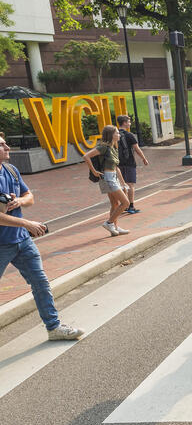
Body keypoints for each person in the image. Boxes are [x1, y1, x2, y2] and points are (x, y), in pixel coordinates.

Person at [0, 136, 84, 341]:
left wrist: (19, 201)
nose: (7, 146)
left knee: (41, 283)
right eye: (1, 145)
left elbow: (30, 196)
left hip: (22, 241)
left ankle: (53, 328)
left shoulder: (10, 170)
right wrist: (28, 224)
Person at [83, 125, 131, 236]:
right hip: (108, 178)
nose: (119, 135)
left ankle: (114, 227)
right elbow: (86, 156)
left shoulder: (113, 147)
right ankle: (109, 223)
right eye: (117, 133)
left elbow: (116, 168)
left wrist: (124, 184)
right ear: (111, 135)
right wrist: (94, 171)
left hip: (113, 177)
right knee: (125, 203)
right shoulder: (103, 147)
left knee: (115, 204)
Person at [116, 115, 149, 214]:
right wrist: (144, 158)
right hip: (129, 162)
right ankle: (131, 206)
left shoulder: (114, 134)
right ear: (125, 123)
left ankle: (123, 204)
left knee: (122, 184)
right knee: (130, 184)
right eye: (129, 122)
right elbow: (136, 148)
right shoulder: (129, 135)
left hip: (118, 163)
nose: (130, 124)